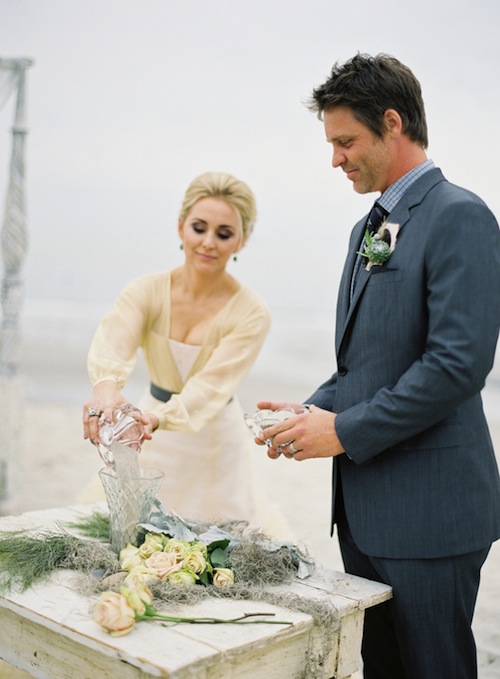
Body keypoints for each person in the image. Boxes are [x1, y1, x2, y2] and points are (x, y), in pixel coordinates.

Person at [255, 53, 500, 678]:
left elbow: (455, 366)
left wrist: (341, 432)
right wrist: (314, 410)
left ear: (393, 123)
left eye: (346, 141)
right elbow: (372, 362)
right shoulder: (372, 226)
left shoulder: (460, 216)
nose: (335, 158)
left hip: (432, 516)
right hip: (366, 515)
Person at [82, 171, 289, 537]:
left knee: (220, 555)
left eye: (224, 233)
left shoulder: (252, 313)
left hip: (213, 442)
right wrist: (106, 388)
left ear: (242, 240)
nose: (209, 242)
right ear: (180, 228)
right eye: (199, 228)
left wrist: (156, 419)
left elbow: (211, 388)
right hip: (148, 435)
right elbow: (113, 341)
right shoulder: (145, 291)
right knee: (126, 538)